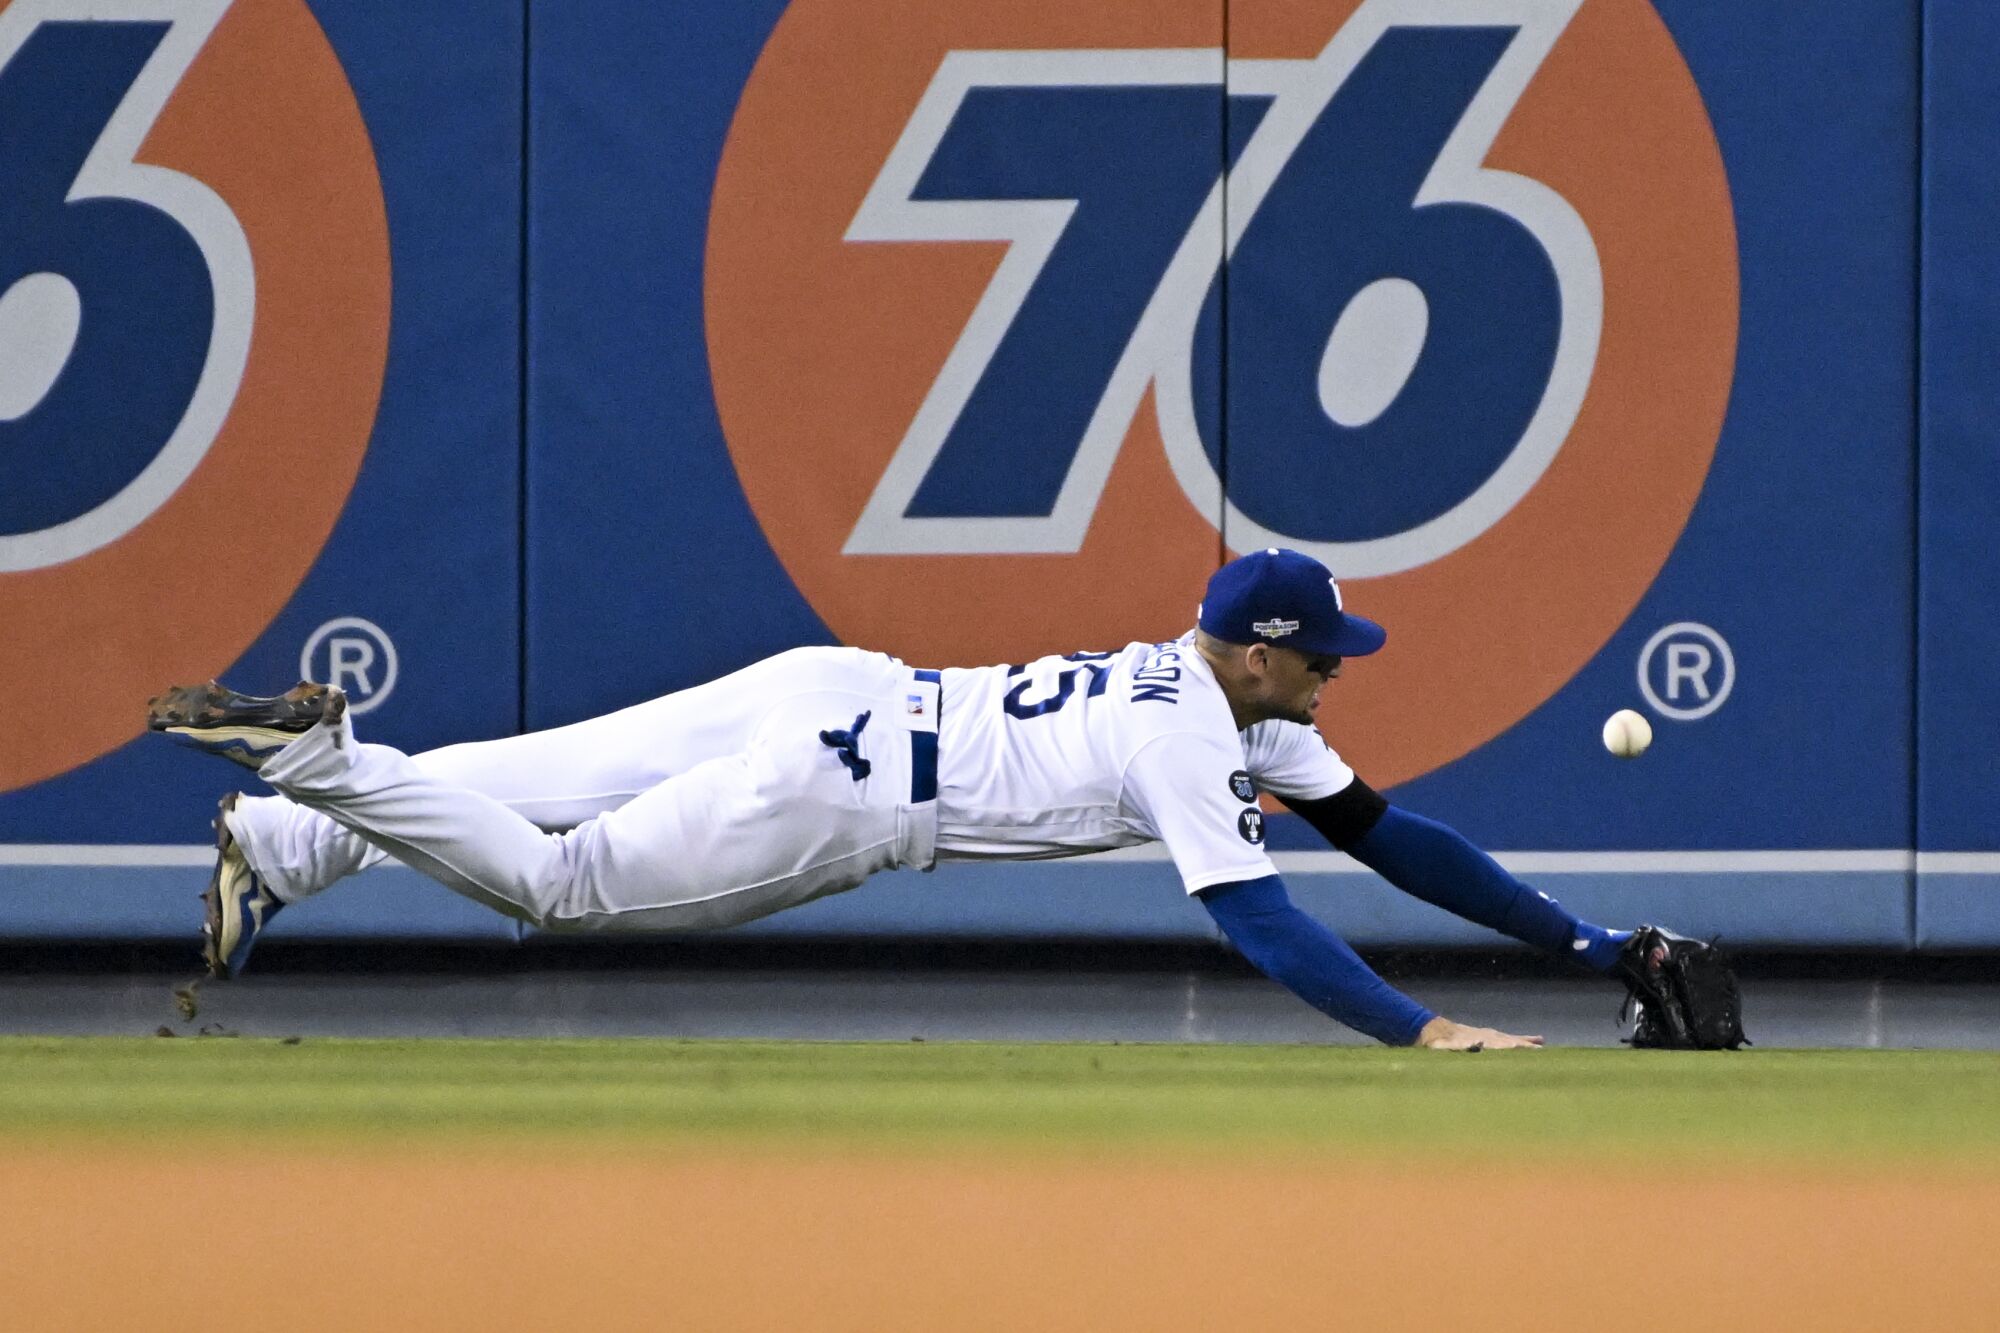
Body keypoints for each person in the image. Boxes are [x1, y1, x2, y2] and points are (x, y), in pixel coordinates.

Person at [149, 548, 1657, 1051]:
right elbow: (1263, 925)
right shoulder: (1196, 741)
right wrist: (1425, 1028)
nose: (1338, 674)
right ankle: (314, 769)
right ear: (1265, 652)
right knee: (554, 878)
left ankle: (280, 837)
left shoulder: (1217, 698)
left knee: (523, 771)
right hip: (845, 794)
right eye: (1322, 654)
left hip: (835, 686)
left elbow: (1396, 840)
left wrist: (1585, 946)